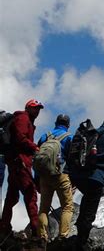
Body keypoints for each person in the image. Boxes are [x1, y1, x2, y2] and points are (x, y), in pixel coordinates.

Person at [69, 112, 104, 251]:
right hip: (95, 177)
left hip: (78, 175)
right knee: (89, 212)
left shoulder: (89, 133)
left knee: (86, 203)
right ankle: (81, 243)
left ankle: (78, 237)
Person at [0, 99, 43, 238]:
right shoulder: (23, 118)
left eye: (38, 109)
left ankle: (4, 227)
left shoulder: (25, 119)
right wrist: (34, 147)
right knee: (30, 194)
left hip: (16, 163)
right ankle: (37, 231)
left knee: (12, 196)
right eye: (35, 108)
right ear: (28, 108)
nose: (37, 111)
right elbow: (20, 138)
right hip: (21, 162)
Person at [36, 114, 74, 246]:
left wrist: (37, 179)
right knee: (67, 207)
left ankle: (42, 237)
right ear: (68, 124)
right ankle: (62, 237)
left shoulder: (45, 136)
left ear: (55, 122)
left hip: (44, 176)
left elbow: (37, 158)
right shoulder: (69, 137)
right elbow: (72, 160)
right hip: (61, 175)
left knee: (44, 209)